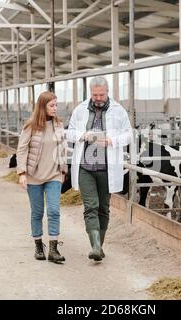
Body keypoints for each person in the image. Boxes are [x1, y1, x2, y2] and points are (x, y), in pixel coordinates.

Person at [67, 76, 132, 261]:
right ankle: (95, 246)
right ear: (90, 92)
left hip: (107, 168)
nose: (97, 98)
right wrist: (83, 135)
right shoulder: (80, 110)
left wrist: (112, 141)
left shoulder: (118, 111)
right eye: (94, 94)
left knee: (103, 208)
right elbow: (69, 133)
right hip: (85, 167)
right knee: (91, 207)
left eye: (101, 94)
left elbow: (129, 135)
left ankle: (99, 246)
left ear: (107, 91)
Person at [16, 91, 68, 263]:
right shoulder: (31, 126)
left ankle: (53, 248)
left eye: (56, 105)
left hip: (54, 174)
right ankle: (38, 245)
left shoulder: (58, 124)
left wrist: (63, 169)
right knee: (37, 212)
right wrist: (22, 173)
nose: (55, 108)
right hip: (34, 176)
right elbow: (22, 149)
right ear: (42, 106)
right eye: (52, 105)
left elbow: (63, 148)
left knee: (54, 211)